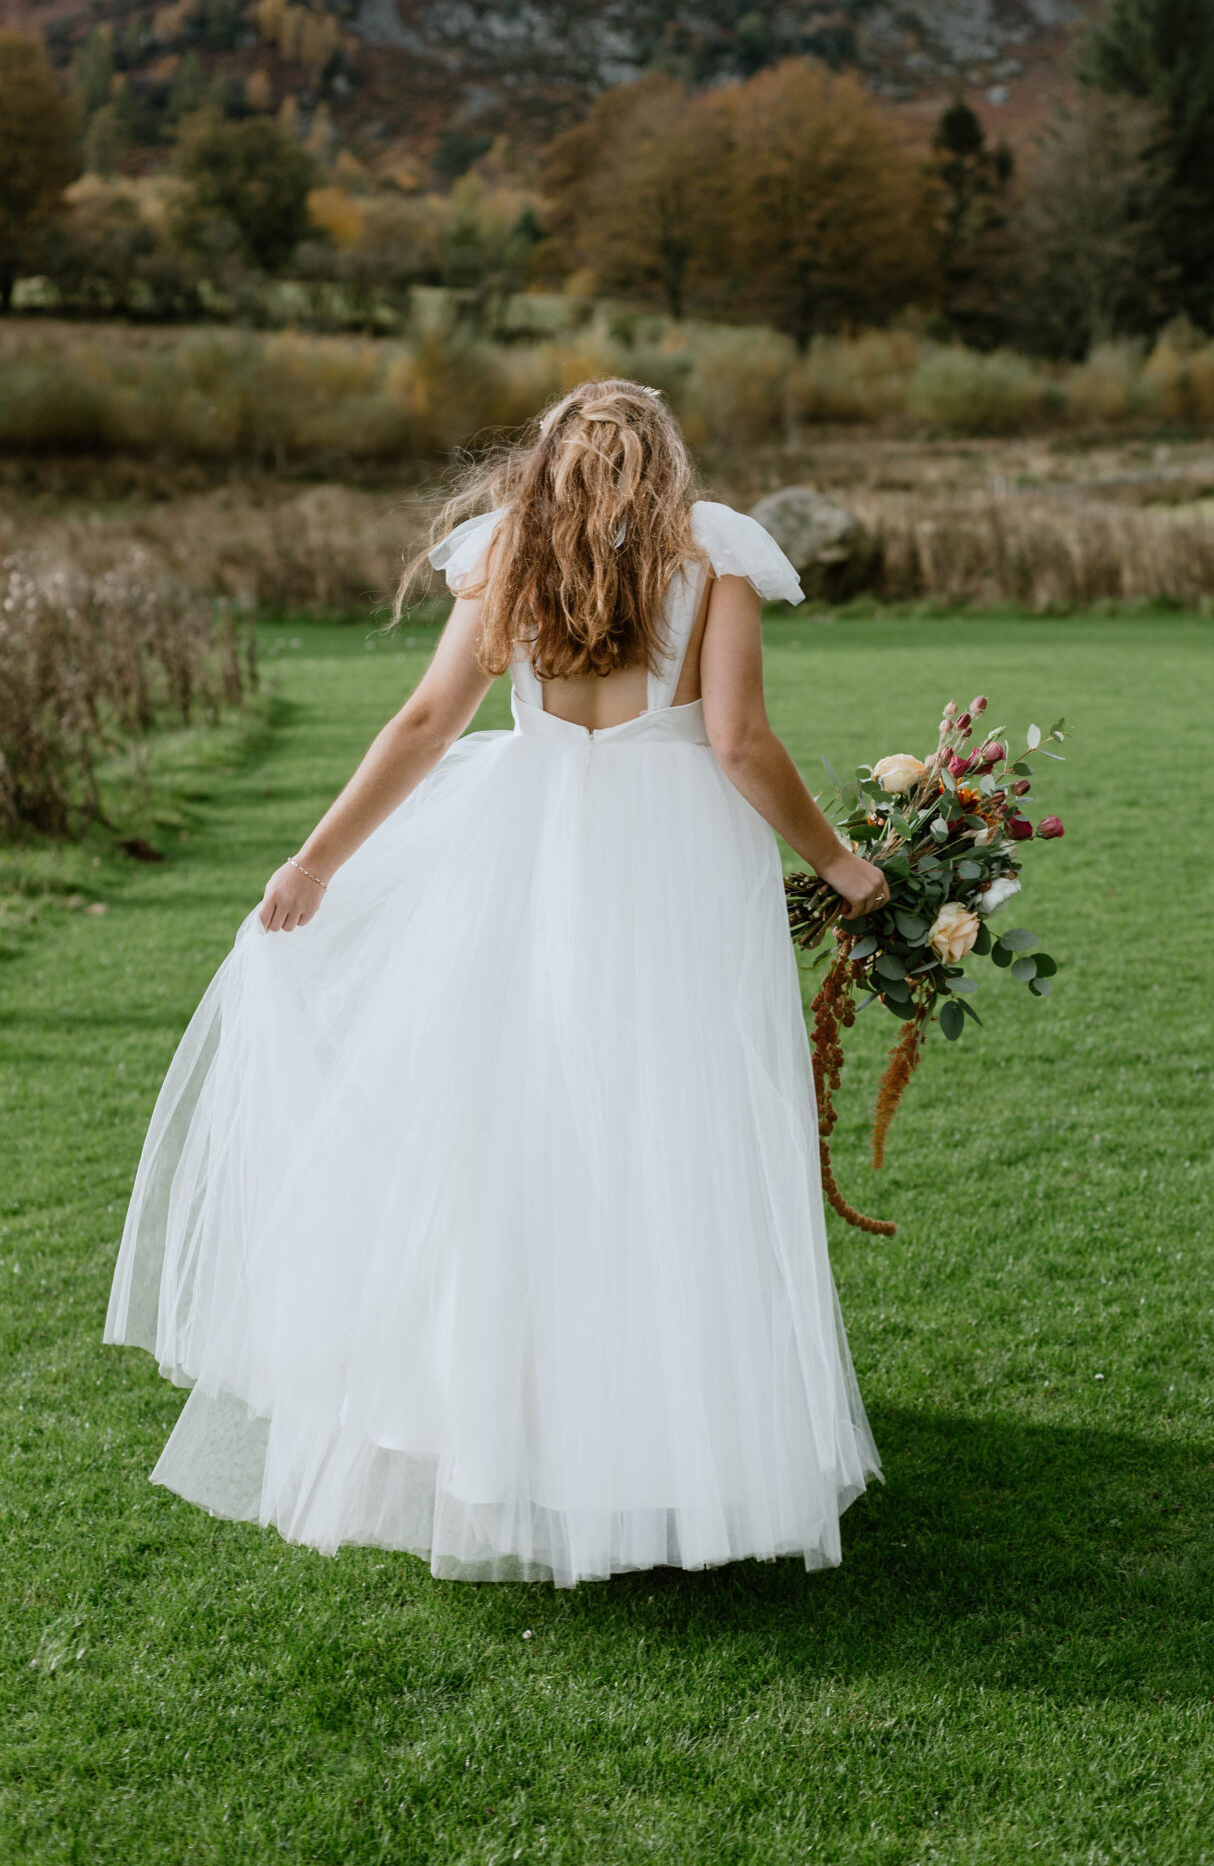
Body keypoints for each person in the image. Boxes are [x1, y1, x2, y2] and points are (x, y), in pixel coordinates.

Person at [106, 379, 886, 1586]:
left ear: (551, 464)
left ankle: (502, 1428)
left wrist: (316, 861)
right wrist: (840, 863)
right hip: (671, 868)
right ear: (665, 464)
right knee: (667, 1141)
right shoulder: (712, 559)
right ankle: (660, 1438)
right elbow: (736, 744)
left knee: (511, 1138)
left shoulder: (508, 559)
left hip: (523, 855)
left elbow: (426, 722)